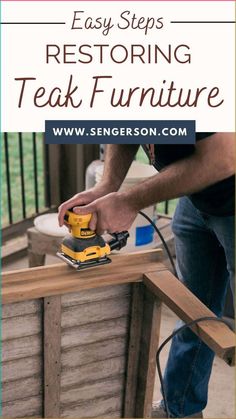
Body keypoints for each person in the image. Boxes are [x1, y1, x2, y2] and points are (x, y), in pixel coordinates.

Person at [58, 133, 235, 418]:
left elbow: (223, 157)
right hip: (199, 197)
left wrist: (128, 202)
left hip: (226, 180)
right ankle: (180, 411)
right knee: (194, 312)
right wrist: (107, 185)